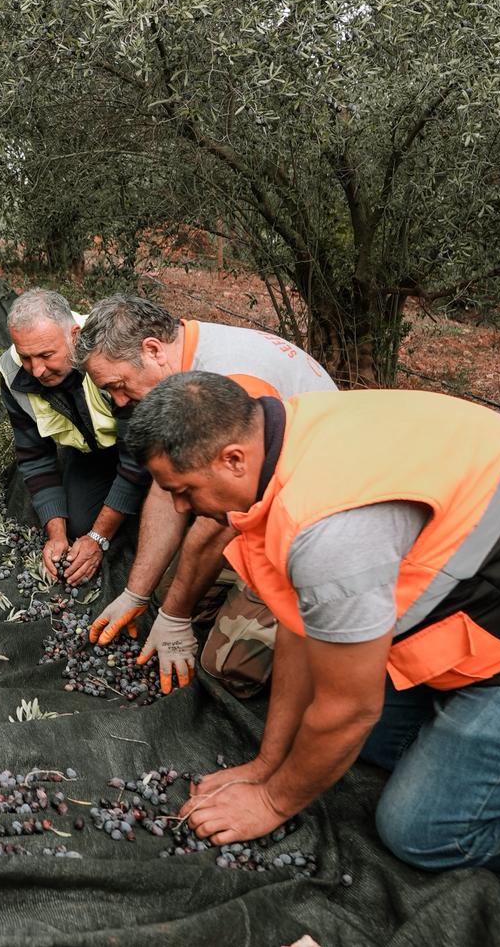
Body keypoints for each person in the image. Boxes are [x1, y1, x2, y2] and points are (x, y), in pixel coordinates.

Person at [126, 371, 500, 870]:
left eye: (183, 490)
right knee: (356, 743)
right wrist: (269, 764)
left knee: (420, 830)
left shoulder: (325, 530)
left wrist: (273, 800)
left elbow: (348, 711)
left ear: (233, 458)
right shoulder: (291, 433)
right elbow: (299, 626)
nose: (181, 507)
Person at [77, 296, 334, 696]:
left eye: (119, 386)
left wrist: (175, 617)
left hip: (315, 525)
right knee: (165, 593)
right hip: (265, 500)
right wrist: (137, 593)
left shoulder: (231, 382)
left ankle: (317, 635)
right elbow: (170, 488)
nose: (121, 402)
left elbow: (221, 519)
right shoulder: (184, 367)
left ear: (152, 349)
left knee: (228, 663)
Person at [0, 289, 147, 587]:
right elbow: (34, 456)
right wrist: (57, 534)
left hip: (145, 449)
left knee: (146, 523)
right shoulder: (13, 371)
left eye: (46, 355)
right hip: (92, 453)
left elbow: (138, 456)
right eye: (26, 356)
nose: (37, 369)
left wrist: (98, 538)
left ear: (75, 335)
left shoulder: (112, 352)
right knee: (77, 524)